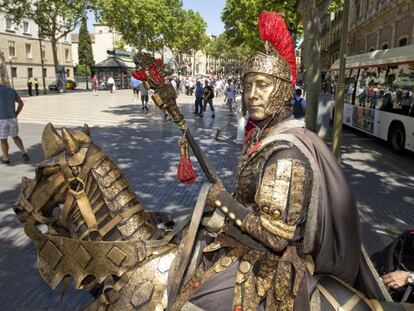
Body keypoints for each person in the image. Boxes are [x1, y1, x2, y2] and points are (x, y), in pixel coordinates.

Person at [171, 12, 390, 311]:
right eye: (248, 86)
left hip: (268, 263)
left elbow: (274, 237)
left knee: (192, 304)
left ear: (284, 89)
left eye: (262, 85)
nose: (252, 95)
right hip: (248, 243)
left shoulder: (286, 154)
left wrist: (223, 201)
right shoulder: (264, 136)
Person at [0, 81, 30, 164]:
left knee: (3, 140)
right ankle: (24, 153)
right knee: (15, 137)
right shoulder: (11, 91)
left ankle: (6, 158)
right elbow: (21, 103)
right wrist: (16, 113)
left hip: (1, 120)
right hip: (12, 119)